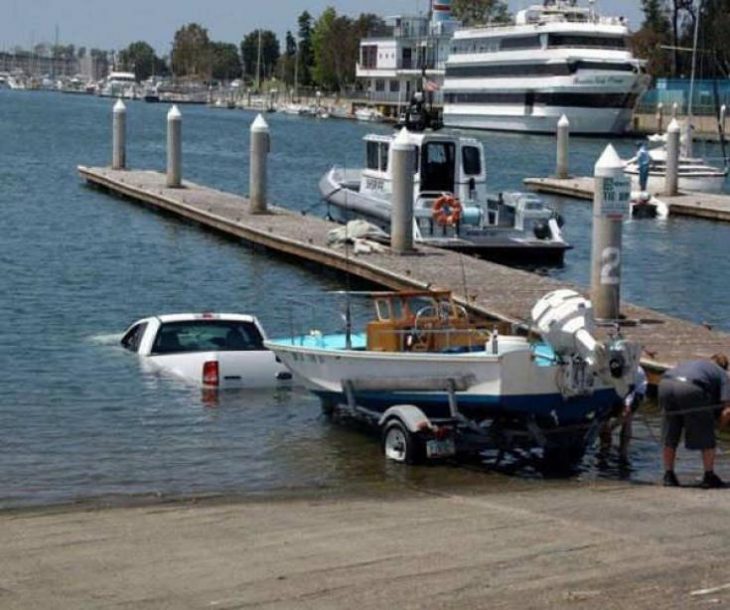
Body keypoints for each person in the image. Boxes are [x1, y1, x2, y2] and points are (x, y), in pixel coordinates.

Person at [659, 353, 730, 488]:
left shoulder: (695, 364)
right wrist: (718, 427)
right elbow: (727, 410)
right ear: (725, 367)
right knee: (707, 435)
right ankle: (709, 476)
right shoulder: (723, 374)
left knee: (670, 430)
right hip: (691, 388)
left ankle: (669, 475)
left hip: (665, 383)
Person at [599, 365, 648, 460]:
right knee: (604, 419)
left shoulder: (634, 373)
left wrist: (612, 427)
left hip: (636, 391)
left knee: (627, 420)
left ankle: (623, 451)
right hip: (615, 389)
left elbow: (628, 407)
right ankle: (604, 447)